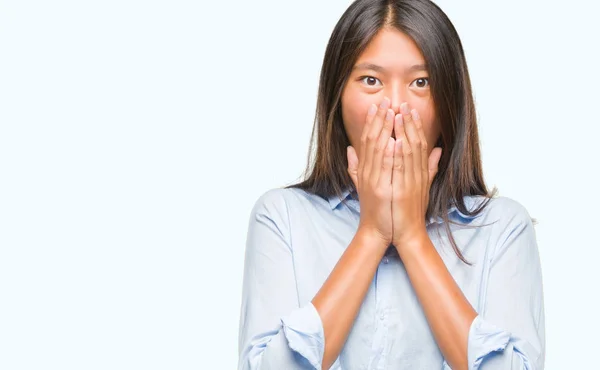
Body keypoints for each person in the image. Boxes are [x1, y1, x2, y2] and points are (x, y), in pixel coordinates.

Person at [237, 0, 545, 369]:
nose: (396, 107)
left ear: (450, 101)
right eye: (371, 81)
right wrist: (372, 233)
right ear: (337, 95)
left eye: (421, 82)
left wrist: (412, 236)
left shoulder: (503, 227)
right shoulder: (282, 217)